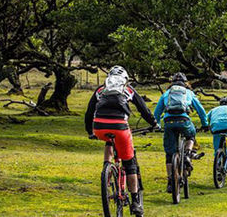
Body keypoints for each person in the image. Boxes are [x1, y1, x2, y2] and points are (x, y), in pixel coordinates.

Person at [85, 65, 158, 215]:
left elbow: (89, 111)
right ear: (125, 78)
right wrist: (154, 123)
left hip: (99, 127)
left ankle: (106, 169)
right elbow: (143, 109)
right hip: (120, 127)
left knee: (109, 140)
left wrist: (90, 131)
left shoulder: (100, 89)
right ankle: (136, 201)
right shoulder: (128, 89)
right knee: (129, 163)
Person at [153, 72, 209, 193]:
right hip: (184, 120)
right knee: (191, 135)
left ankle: (170, 181)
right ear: (185, 83)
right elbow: (200, 109)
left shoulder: (166, 94)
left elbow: (157, 112)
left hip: (168, 122)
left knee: (169, 153)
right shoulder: (188, 93)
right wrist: (205, 124)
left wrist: (156, 125)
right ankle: (188, 154)